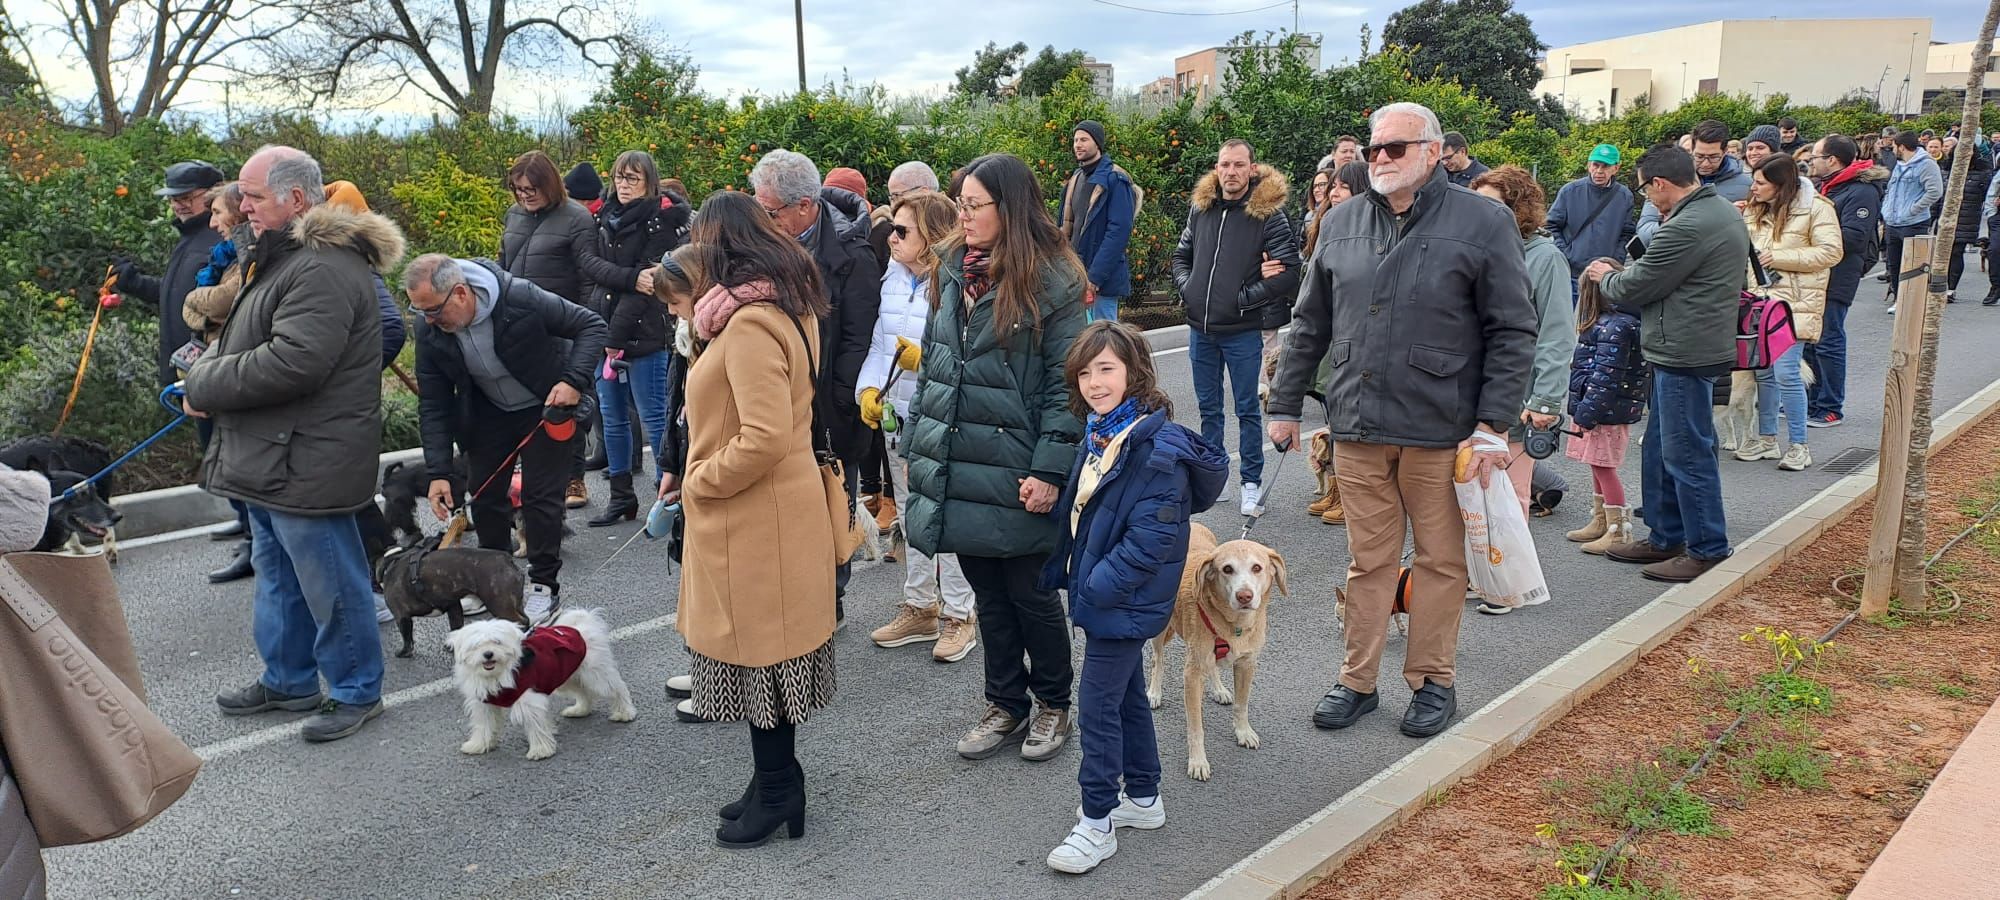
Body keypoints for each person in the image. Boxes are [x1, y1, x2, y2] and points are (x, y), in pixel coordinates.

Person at [1267, 102, 1536, 738]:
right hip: (1359, 426)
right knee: (1369, 561)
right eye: (1372, 149)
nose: (1378, 160)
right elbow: (1310, 322)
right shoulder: (1341, 221)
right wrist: (1284, 404)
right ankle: (1357, 680)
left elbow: (1513, 329)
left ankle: (1432, 679)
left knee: (1442, 562)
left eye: (1394, 148)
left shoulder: (1483, 220)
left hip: (1443, 429)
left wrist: (1494, 426)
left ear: (1435, 151)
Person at [181, 145, 399, 742]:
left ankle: (357, 690)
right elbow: (247, 340)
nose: (239, 207)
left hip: (308, 455)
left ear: (296, 199)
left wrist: (204, 382)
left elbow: (293, 362)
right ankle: (289, 678)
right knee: (279, 576)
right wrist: (209, 374)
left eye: (251, 196)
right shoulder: (283, 257)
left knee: (331, 579)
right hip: (272, 450)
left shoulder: (323, 266)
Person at [903, 153, 1088, 763]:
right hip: (962, 460)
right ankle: (1004, 704)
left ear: (1009, 208)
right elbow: (936, 363)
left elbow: (1069, 386)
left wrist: (1048, 470)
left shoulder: (1053, 279)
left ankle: (1054, 705)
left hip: (1020, 465)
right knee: (989, 596)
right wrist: (921, 449)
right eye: (961, 203)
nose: (964, 214)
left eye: (974, 204)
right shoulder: (953, 268)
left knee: (1032, 596)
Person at [670, 195, 840, 850]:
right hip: (768, 510)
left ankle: (778, 791)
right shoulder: (784, 306)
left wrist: (701, 480)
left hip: (755, 515)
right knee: (763, 659)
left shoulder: (746, 325)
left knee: (761, 660)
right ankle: (775, 782)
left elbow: (765, 436)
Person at [1037, 321, 1227, 874]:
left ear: (1135, 372)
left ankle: (1096, 823)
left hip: (1122, 599)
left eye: (1107, 369)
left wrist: (1093, 586)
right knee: (1123, 699)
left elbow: (1152, 538)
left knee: (1096, 707)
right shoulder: (1104, 432)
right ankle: (1143, 798)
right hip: (1111, 596)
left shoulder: (1155, 449)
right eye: (1086, 371)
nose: (1094, 382)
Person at [406, 253, 606, 625]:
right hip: (487, 412)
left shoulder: (521, 298)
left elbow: (591, 326)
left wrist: (572, 381)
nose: (429, 321)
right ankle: (492, 582)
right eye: (420, 312)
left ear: (461, 294)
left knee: (539, 499)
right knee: (483, 498)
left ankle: (544, 587)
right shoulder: (429, 328)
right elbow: (433, 402)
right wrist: (438, 471)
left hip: (544, 404)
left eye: (433, 310)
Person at [1583, 144, 1748, 583]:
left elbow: (1635, 285)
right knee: (1662, 446)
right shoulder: (1720, 211)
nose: (1646, 199)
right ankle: (1665, 535)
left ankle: (1706, 547)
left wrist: (1606, 278)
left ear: (1660, 183)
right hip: (1689, 343)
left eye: (1646, 190)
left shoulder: (1687, 226)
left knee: (1686, 451)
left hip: (1683, 350)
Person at [747, 149, 883, 626]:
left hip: (831, 403)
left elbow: (859, 338)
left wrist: (841, 400)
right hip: (780, 395)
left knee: (831, 498)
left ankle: (831, 600)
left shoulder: (853, 254)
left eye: (770, 211)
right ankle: (791, 594)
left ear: (804, 206)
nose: (762, 219)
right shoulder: (767, 245)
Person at [860, 192, 981, 663]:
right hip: (901, 416)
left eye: (903, 230)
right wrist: (868, 391)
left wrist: (926, 359)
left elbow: (975, 356)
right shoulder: (890, 279)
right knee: (912, 515)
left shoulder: (957, 282)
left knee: (946, 517)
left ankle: (959, 615)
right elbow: (877, 345)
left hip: (944, 416)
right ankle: (920, 605)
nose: (891, 237)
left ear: (930, 236)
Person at [1171, 139, 1301, 515]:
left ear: (1251, 169)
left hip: (1243, 330)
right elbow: (1182, 255)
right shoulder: (1202, 209)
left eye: (1238, 165)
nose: (1231, 172)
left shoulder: (1268, 215)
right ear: (1216, 168)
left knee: (1247, 408)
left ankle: (1250, 482)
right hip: (1201, 329)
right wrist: (1188, 287)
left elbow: (1289, 272)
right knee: (1209, 408)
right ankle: (1214, 476)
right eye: (1224, 164)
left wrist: (1244, 299)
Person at [1469, 165, 1577, 593]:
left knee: (1509, 497)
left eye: (1492, 205)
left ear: (1518, 209)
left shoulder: (1544, 257)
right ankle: (1478, 575)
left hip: (1517, 392)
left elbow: (1556, 332)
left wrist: (1547, 400)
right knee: (1469, 493)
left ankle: (1509, 584)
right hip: (1467, 392)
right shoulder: (1474, 249)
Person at [499, 150, 607, 509]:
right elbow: (502, 267)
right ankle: (526, 476)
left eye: (531, 189)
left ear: (549, 185)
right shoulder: (513, 216)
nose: (525, 195)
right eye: (519, 189)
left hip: (563, 323)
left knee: (568, 403)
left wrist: (587, 328)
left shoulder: (576, 218)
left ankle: (574, 479)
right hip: (518, 325)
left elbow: (589, 278)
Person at [580, 151, 682, 527]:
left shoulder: (661, 222)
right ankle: (621, 497)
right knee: (611, 417)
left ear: (648, 182)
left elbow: (648, 285)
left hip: (645, 333)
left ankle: (665, 496)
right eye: (620, 178)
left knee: (655, 417)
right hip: (603, 326)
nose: (623, 186)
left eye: (632, 179)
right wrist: (623, 278)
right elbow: (589, 264)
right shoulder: (602, 215)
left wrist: (614, 335)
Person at [1737, 154, 1841, 472]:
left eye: (1760, 183)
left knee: (1786, 372)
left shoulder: (1817, 208)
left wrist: (1779, 257)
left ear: (1780, 186)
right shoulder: (1756, 208)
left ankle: (1799, 445)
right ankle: (1767, 440)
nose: (1753, 188)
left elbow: (1831, 251)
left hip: (1797, 303)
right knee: (1763, 372)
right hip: (1761, 301)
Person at [114, 159, 226, 388]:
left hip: (207, 374)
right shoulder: (189, 238)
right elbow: (180, 294)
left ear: (212, 195)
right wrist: (133, 282)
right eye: (174, 199)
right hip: (183, 372)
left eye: (186, 198)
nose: (178, 205)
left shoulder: (222, 240)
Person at [1563, 260, 1647, 555]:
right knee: (1596, 463)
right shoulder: (1616, 323)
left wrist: (1587, 411)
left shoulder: (1614, 327)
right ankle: (1601, 520)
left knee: (1604, 465)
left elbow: (1605, 377)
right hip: (1601, 408)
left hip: (1604, 412)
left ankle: (1618, 529)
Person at [1804, 134, 1885, 427]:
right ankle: (1810, 401)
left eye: (1813, 158)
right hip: (1815, 273)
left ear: (1832, 160)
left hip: (1839, 274)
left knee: (1829, 340)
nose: (1809, 163)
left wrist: (1809, 235)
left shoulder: (1861, 191)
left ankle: (1830, 406)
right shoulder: (1825, 187)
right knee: (1810, 340)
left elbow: (1854, 237)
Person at [1057, 120, 1138, 322]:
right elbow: (1065, 227)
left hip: (1102, 283)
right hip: (1075, 277)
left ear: (1098, 144)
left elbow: (1118, 232)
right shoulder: (1075, 179)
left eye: (1084, 139)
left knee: (1104, 342)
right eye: (1075, 140)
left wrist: (1095, 277)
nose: (1078, 144)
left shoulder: (1115, 179)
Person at [1638, 120, 1751, 247]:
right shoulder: (1670, 178)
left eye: (1714, 157)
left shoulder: (1748, 185)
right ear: (1691, 150)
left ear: (1725, 151)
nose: (1705, 163)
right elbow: (1644, 233)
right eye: (1700, 156)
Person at [1547, 143, 1637, 277]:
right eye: (1596, 165)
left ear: (1616, 168)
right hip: (1571, 273)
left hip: (1606, 275)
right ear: (1589, 165)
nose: (1599, 171)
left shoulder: (1625, 196)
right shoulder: (1569, 191)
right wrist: (1566, 254)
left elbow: (1626, 233)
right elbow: (1550, 225)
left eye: (1605, 166)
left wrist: (1616, 261)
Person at [1882, 131, 1944, 314]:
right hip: (1893, 222)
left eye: (1894, 146)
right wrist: (1885, 209)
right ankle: (1898, 298)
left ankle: (1913, 301)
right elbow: (1891, 189)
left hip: (1913, 222)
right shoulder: (1900, 165)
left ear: (1901, 146)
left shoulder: (1926, 164)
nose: (1893, 150)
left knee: (1913, 265)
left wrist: (1913, 209)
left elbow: (1935, 191)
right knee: (1893, 264)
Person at [1944, 143, 1994, 301]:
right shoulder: (1947, 171)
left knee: (1956, 251)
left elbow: (1989, 195)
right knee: (1944, 253)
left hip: (1967, 218)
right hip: (1945, 217)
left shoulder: (1982, 173)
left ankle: (1951, 288)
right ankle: (1941, 284)